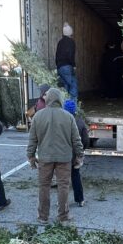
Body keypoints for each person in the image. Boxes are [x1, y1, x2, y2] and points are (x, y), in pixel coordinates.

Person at [27, 88, 83, 224]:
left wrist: (31, 156)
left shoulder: (38, 116)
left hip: (45, 158)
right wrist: (79, 155)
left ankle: (43, 216)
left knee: (44, 186)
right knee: (63, 185)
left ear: (47, 99)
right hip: (64, 158)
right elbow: (76, 139)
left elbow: (32, 139)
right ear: (60, 99)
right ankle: (63, 216)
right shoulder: (68, 117)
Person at [64, 99, 89, 207]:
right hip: (75, 155)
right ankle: (80, 199)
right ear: (74, 110)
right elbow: (85, 139)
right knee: (75, 176)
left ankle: (63, 201)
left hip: (62, 155)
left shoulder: (61, 121)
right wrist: (82, 151)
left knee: (63, 179)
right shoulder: (80, 122)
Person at [56, 23, 78, 100]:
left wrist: (58, 66)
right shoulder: (71, 42)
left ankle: (64, 106)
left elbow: (57, 55)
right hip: (67, 66)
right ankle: (73, 107)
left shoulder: (60, 42)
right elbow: (70, 54)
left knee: (65, 87)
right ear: (70, 33)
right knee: (73, 85)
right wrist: (73, 65)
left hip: (60, 67)